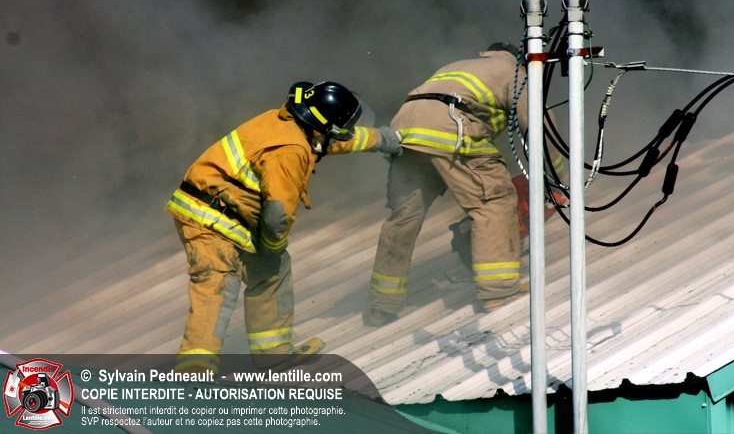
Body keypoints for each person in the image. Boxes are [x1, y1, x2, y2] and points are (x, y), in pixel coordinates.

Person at [166, 81, 401, 373]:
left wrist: (382, 139)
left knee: (272, 272)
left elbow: (332, 140)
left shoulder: (288, 122)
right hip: (208, 218)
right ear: (322, 125)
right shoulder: (290, 150)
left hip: (232, 214)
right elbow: (277, 215)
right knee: (217, 286)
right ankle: (193, 373)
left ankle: (273, 358)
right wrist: (273, 246)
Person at [367, 42, 566, 326]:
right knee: (494, 204)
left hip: (404, 133)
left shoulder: (459, 66)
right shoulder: (515, 73)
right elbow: (541, 129)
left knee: (404, 218)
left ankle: (382, 305)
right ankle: (499, 291)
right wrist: (557, 178)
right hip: (449, 128)